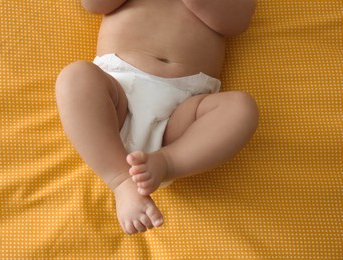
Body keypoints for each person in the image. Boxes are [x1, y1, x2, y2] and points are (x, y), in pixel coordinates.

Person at [55, 0, 259, 235]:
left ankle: (168, 162)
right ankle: (121, 181)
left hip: (183, 112)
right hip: (118, 93)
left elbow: (235, 22)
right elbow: (94, 4)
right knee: (75, 76)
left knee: (241, 108)